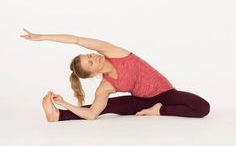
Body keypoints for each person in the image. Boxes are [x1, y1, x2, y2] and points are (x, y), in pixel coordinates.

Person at [20, 28, 210, 122]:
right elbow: (92, 114)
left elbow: (76, 40)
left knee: (202, 107)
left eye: (89, 56)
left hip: (166, 93)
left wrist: (43, 37)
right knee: (106, 106)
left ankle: (158, 111)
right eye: (91, 62)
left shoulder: (112, 52)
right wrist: (63, 102)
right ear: (93, 73)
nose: (93, 56)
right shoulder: (105, 86)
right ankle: (58, 115)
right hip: (141, 101)